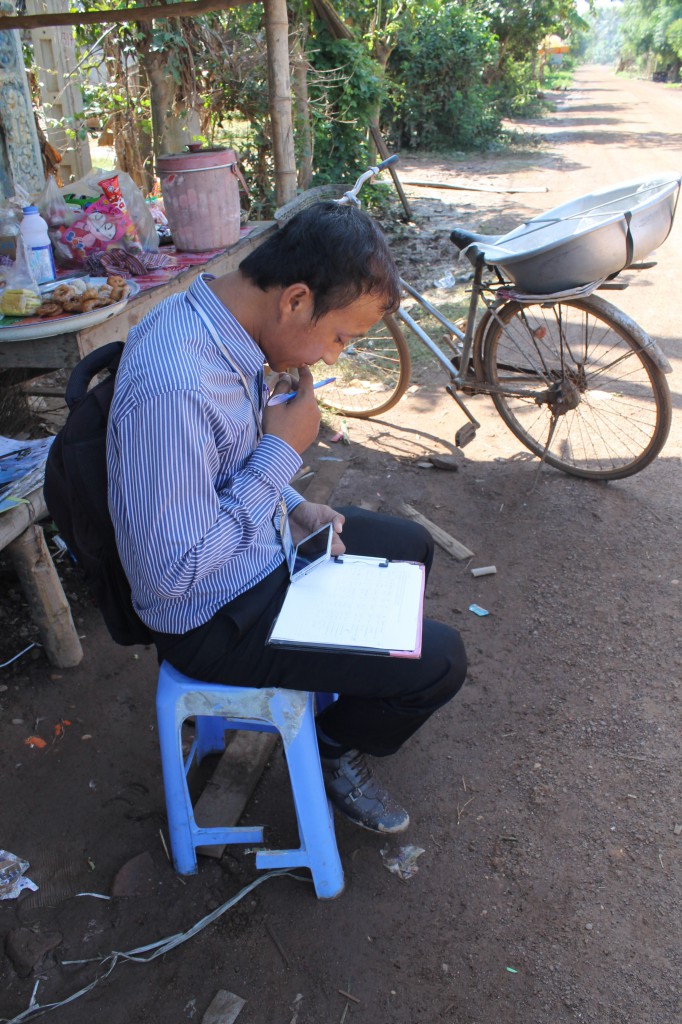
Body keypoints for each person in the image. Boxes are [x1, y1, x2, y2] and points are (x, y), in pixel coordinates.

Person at [107, 201, 467, 834]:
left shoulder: (217, 321)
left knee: (408, 546)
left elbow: (215, 469)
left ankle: (356, 695)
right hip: (211, 616)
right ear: (296, 300)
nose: (332, 359)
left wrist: (294, 506)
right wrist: (281, 455)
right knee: (440, 662)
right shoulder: (178, 387)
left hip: (251, 555)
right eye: (340, 338)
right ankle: (333, 749)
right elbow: (168, 575)